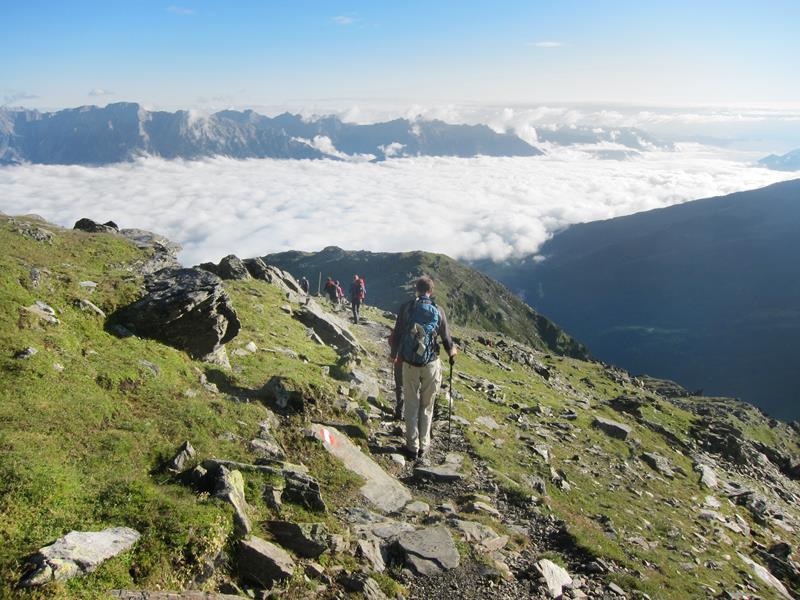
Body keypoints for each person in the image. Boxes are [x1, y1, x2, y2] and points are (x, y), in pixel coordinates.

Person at [389, 275, 457, 462]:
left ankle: (412, 447)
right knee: (427, 406)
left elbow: (397, 334)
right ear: (431, 291)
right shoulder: (438, 310)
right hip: (431, 363)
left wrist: (394, 355)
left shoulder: (407, 308)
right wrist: (452, 354)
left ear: (416, 290)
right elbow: (446, 338)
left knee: (411, 404)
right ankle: (424, 445)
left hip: (409, 364)